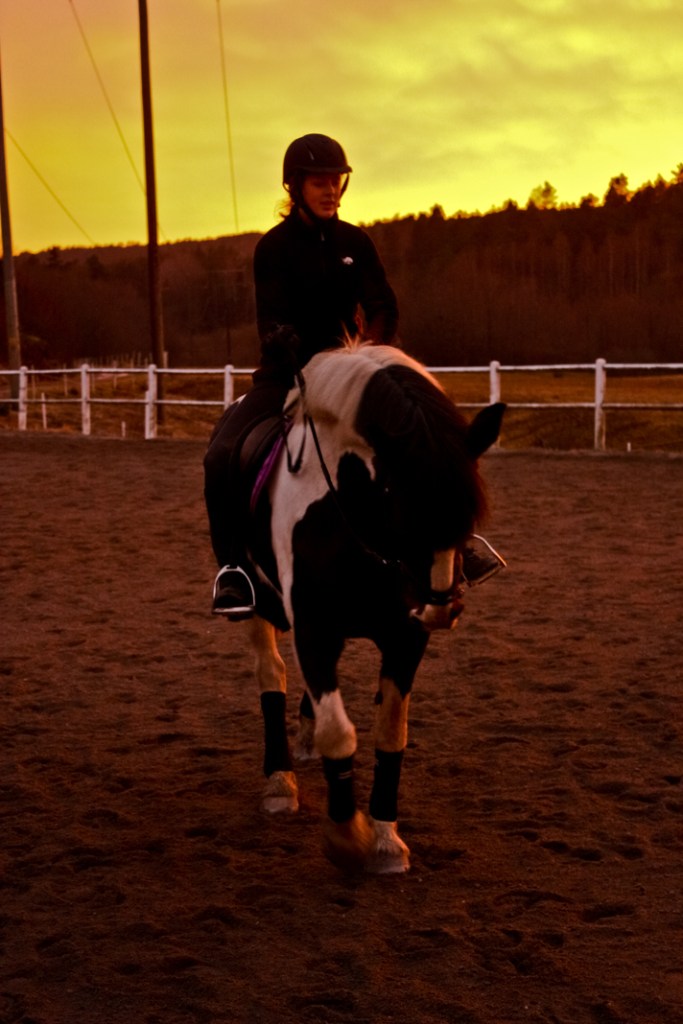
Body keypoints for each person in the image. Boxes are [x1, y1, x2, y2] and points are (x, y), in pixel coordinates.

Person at [204, 133, 503, 621]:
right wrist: (288, 343)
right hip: (288, 376)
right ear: (295, 187)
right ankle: (234, 571)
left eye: (336, 182)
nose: (330, 191)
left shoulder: (355, 243)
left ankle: (454, 546)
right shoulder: (272, 249)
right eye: (319, 183)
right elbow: (271, 321)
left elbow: (383, 305)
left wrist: (367, 353)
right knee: (220, 456)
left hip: (352, 375)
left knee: (426, 441)